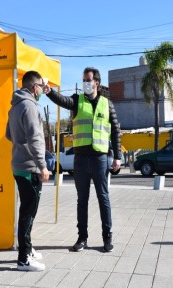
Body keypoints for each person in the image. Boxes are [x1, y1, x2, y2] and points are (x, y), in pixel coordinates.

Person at [45, 67, 122, 252]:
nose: (85, 83)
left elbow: (115, 131)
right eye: (83, 80)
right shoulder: (77, 100)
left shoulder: (107, 104)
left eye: (88, 80)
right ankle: (82, 238)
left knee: (103, 198)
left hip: (100, 158)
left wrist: (118, 157)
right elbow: (63, 100)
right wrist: (49, 92)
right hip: (80, 159)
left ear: (96, 82)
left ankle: (107, 238)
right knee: (82, 200)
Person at [5, 70, 50, 272]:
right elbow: (35, 139)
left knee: (27, 210)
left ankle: (28, 249)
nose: (42, 89)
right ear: (34, 87)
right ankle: (23, 259)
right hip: (30, 166)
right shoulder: (30, 106)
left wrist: (19, 144)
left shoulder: (15, 106)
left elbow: (8, 135)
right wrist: (42, 166)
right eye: (41, 85)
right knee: (28, 213)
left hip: (18, 164)